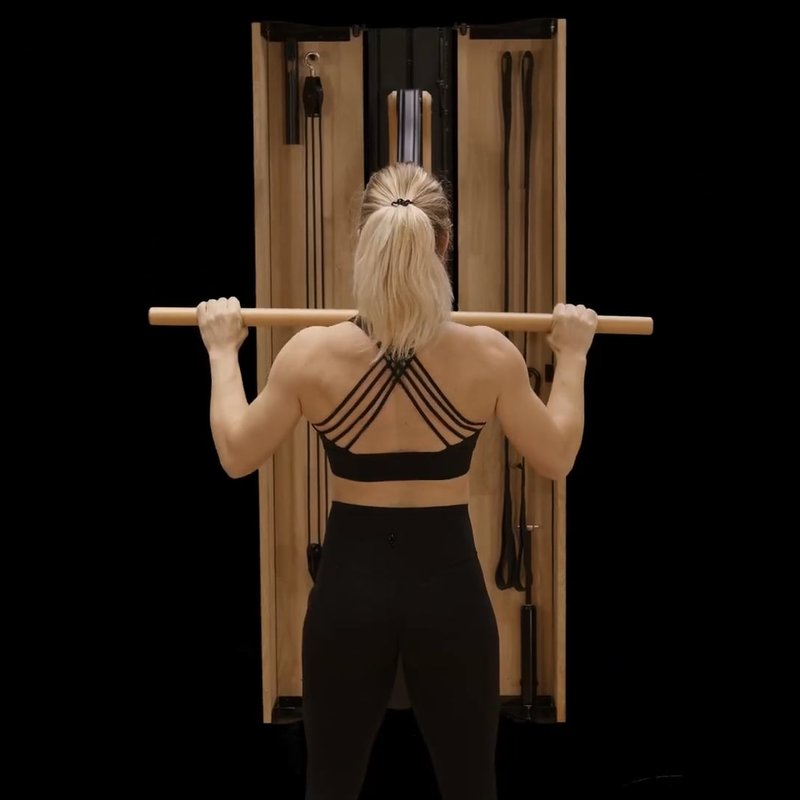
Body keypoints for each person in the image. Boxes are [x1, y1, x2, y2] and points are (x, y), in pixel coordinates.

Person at [196, 162, 597, 800]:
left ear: (364, 240)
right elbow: (558, 456)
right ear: (446, 244)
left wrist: (222, 352)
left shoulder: (309, 355)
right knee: (471, 787)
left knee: (330, 786)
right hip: (450, 594)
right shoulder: (490, 354)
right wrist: (572, 355)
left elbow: (237, 454)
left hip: (349, 594)